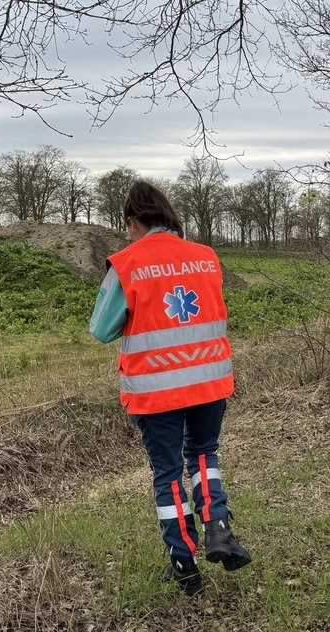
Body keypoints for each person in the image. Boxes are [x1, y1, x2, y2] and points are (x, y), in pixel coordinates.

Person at [89, 180, 251, 597]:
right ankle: (217, 527)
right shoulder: (206, 257)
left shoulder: (126, 263)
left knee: (167, 473)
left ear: (133, 222)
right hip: (211, 381)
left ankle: (184, 564)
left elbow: (101, 330)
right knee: (202, 454)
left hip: (156, 388)